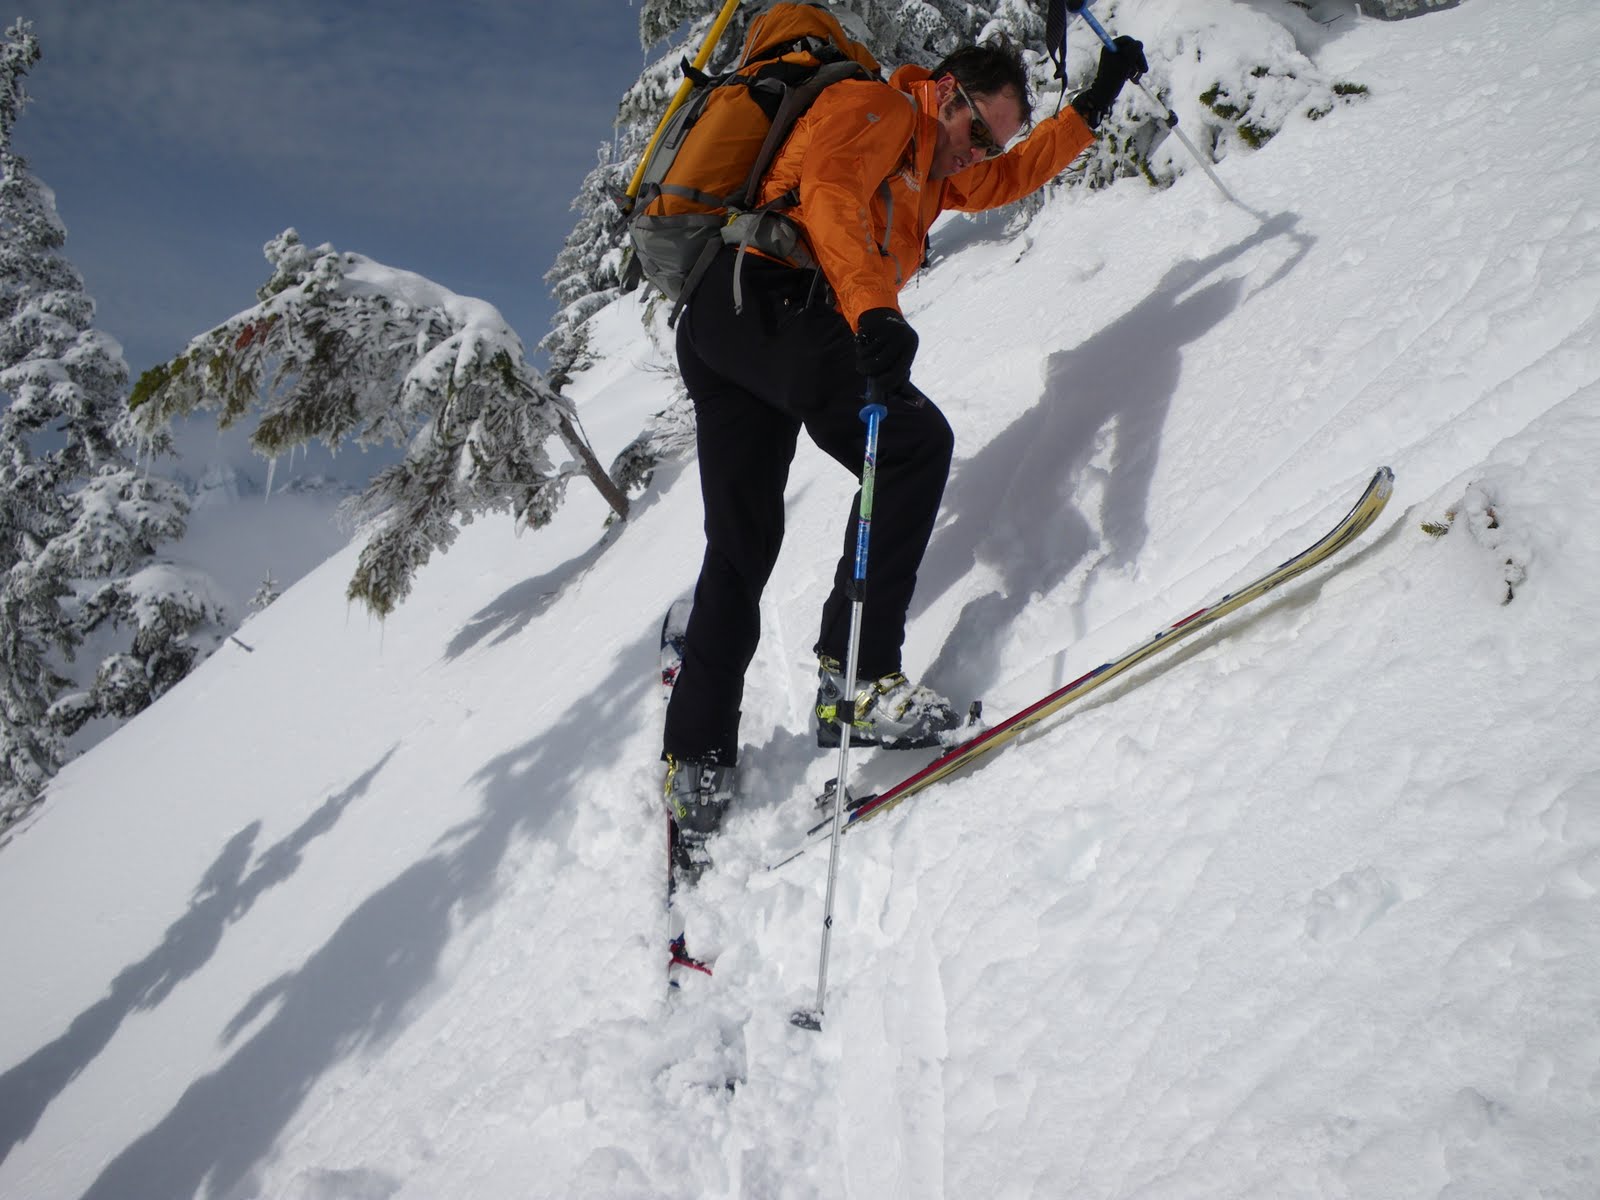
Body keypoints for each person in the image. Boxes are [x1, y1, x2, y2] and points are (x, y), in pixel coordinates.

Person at [663, 33, 1149, 857]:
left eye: (991, 140)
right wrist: (874, 311)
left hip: (730, 318)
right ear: (950, 93)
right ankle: (854, 676)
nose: (981, 152)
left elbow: (1006, 179)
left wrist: (1094, 105)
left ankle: (694, 755)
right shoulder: (880, 107)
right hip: (774, 292)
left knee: (743, 541)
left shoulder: (932, 161)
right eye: (980, 131)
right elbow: (830, 193)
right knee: (916, 445)